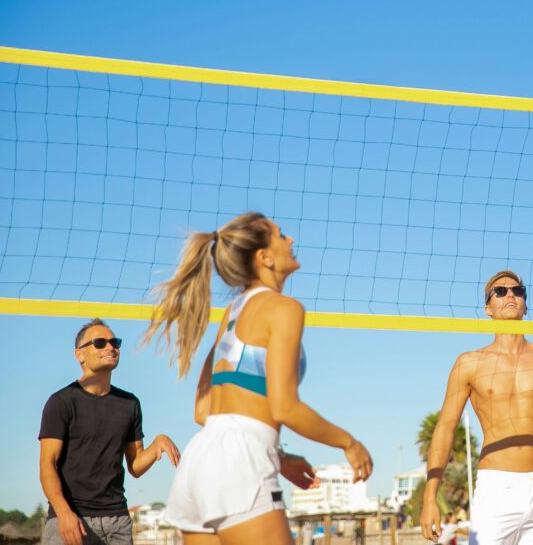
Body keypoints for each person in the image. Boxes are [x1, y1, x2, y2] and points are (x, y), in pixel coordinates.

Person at [145, 213, 373, 544]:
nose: (291, 240)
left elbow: (202, 411)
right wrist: (349, 443)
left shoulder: (233, 312)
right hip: (240, 462)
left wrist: (278, 459)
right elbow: (285, 407)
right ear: (264, 257)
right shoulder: (284, 308)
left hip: (200, 461)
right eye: (281, 236)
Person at [420, 270, 533, 545]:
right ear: (488, 307)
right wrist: (430, 496)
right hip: (495, 486)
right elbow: (445, 429)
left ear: (525, 303)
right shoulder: (469, 363)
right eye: (500, 291)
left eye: (517, 291)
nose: (510, 295)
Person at [39, 319, 180, 545]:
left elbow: (135, 466)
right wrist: (64, 514)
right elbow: (47, 465)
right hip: (72, 519)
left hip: (117, 521)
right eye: (100, 342)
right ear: (79, 355)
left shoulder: (129, 403)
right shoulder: (61, 402)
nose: (110, 347)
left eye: (114, 342)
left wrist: (157, 445)